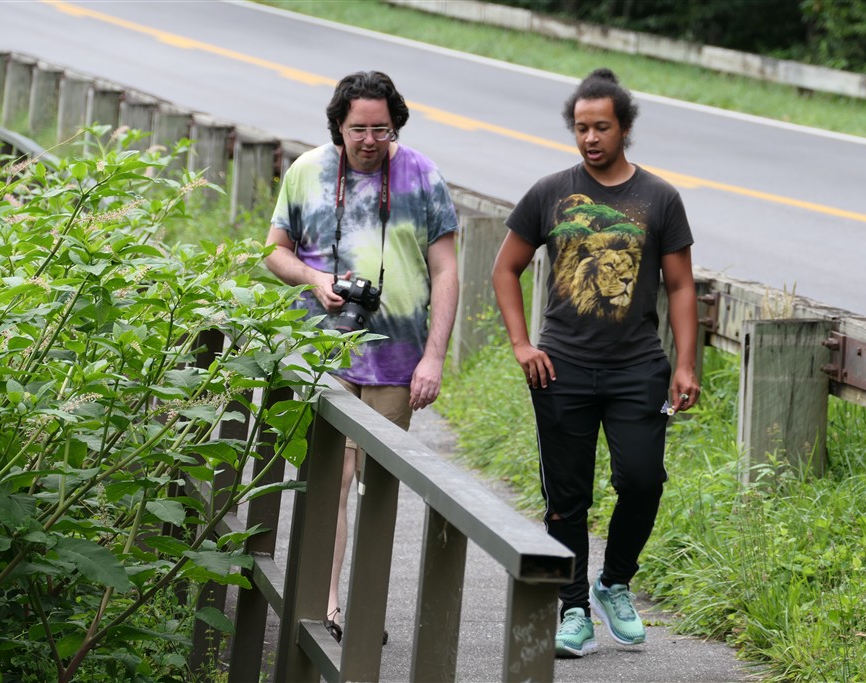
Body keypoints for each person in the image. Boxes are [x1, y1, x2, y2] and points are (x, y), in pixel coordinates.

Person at [491, 68, 700, 658]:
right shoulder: (549, 192)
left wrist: (686, 365)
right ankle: (574, 609)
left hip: (638, 367)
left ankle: (615, 582)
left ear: (624, 128)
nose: (590, 138)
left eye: (601, 127)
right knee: (567, 496)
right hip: (562, 369)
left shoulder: (660, 197)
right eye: (581, 128)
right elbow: (505, 269)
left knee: (643, 480)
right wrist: (522, 345)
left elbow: (681, 286)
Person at [264, 70, 459, 644]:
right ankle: (329, 607)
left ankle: (364, 605)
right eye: (358, 129)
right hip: (324, 354)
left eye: (381, 128)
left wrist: (434, 358)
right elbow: (274, 253)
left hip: (397, 360)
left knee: (378, 488)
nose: (370, 140)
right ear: (338, 126)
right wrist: (315, 279)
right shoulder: (307, 172)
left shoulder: (422, 176)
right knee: (336, 478)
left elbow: (446, 271)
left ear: (395, 124)